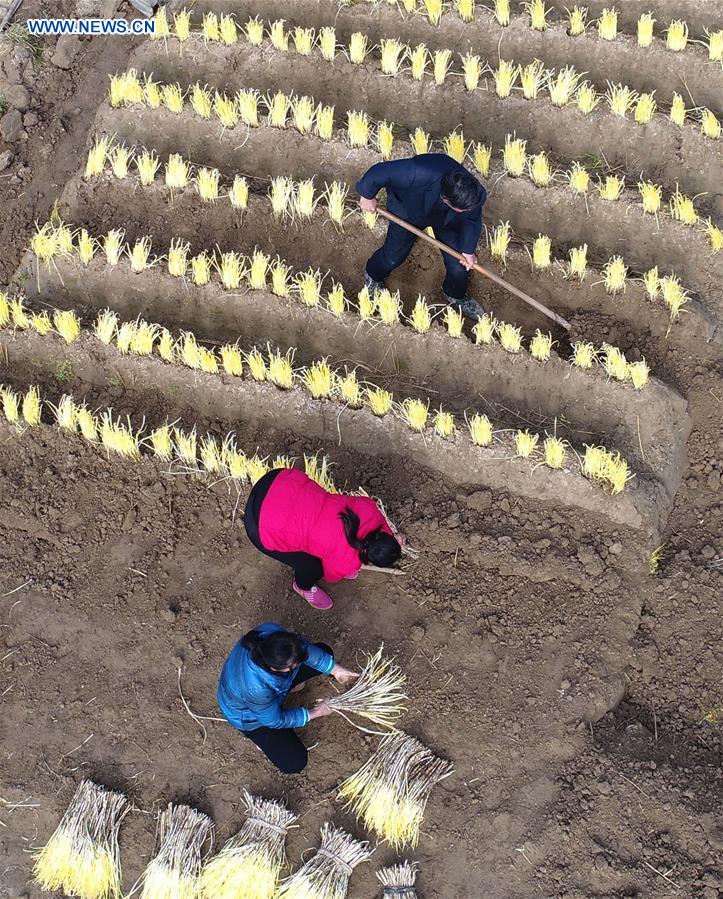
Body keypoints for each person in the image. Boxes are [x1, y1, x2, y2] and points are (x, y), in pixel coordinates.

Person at [244, 467, 404, 610]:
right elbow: (330, 576)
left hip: (278, 481)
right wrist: (345, 567)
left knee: (321, 537)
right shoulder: (347, 561)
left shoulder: (369, 509)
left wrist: (392, 537)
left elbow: (378, 521)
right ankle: (302, 587)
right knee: (314, 567)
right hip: (261, 524)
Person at [357, 153, 487, 320]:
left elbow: (472, 219)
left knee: (459, 266)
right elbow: (379, 172)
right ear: (446, 199)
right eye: (464, 208)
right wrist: (367, 195)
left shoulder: (475, 195)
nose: (469, 209)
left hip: (448, 220)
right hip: (409, 209)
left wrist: (468, 250)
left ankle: (455, 294)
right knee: (392, 258)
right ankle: (373, 276)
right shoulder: (418, 171)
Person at [218, 621, 358, 774]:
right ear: (275, 668)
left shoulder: (271, 633)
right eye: (292, 666)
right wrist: (316, 712)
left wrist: (336, 670)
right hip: (251, 716)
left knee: (324, 652)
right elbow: (274, 720)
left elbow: (302, 649)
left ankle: (287, 687)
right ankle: (261, 740)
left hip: (271, 689)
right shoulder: (255, 688)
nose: (297, 664)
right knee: (294, 762)